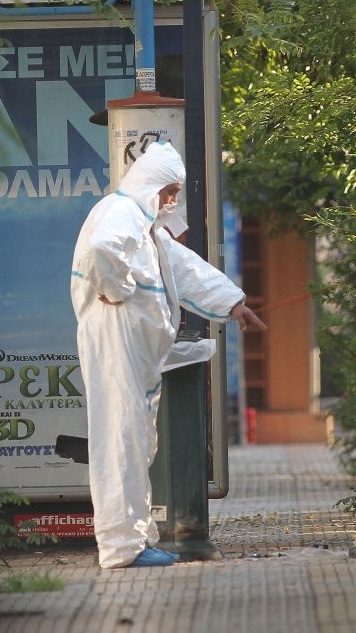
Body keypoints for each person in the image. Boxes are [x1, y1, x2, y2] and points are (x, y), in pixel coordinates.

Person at [70, 142, 266, 569]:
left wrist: (234, 304)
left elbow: (186, 269)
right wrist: (115, 289)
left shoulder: (145, 229)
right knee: (121, 439)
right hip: (117, 343)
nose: (173, 200)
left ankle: (136, 539)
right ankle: (122, 547)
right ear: (151, 185)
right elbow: (102, 251)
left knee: (136, 440)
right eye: (169, 191)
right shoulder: (118, 215)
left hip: (135, 350)